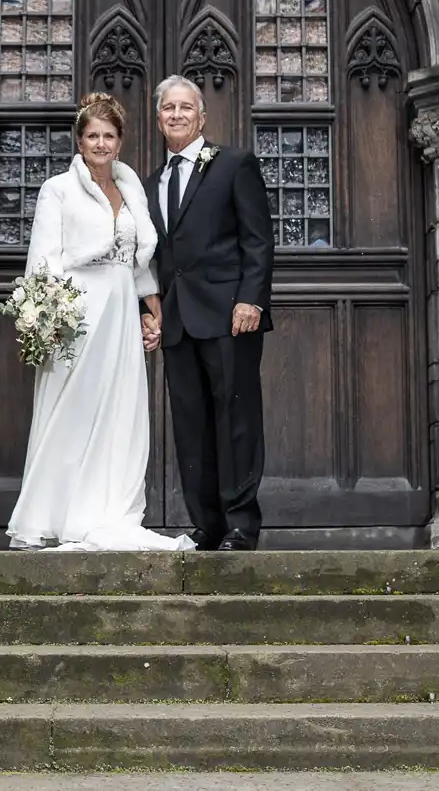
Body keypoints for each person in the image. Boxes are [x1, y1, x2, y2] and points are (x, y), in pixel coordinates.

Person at [6, 92, 193, 552]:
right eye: (92, 136)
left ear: (121, 140)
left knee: (119, 412)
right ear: (79, 140)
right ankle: (54, 515)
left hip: (120, 315)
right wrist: (46, 317)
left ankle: (109, 511)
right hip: (78, 313)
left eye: (109, 136)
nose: (101, 144)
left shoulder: (131, 188)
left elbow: (137, 260)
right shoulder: (59, 189)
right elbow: (44, 259)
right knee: (73, 410)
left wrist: (154, 309)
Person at [144, 75, 274, 551]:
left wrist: (251, 299)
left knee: (235, 420)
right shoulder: (150, 183)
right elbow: (153, 255)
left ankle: (242, 523)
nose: (176, 115)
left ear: (202, 116)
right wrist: (150, 308)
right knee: (191, 426)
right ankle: (208, 523)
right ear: (159, 120)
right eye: (167, 109)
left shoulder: (234, 164)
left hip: (229, 316)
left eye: (185, 107)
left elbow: (257, 239)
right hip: (178, 321)